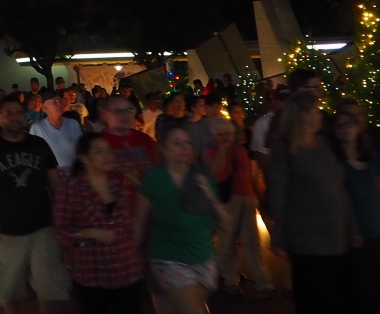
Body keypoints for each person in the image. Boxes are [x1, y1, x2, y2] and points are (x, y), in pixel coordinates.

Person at [0, 97, 71, 313]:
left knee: (51, 287)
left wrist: (62, 217)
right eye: (8, 113)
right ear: (0, 116)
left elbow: (54, 181)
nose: (14, 117)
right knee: (10, 290)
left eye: (18, 112)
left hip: (42, 226)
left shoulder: (38, 144)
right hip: (5, 228)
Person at [266, 91, 356, 313]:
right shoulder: (286, 149)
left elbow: (339, 188)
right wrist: (279, 235)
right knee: (313, 296)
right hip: (307, 240)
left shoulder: (322, 144)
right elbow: (278, 194)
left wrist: (352, 227)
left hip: (335, 235)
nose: (320, 115)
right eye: (315, 110)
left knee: (336, 295)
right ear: (303, 115)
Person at [136, 121, 225, 313]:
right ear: (164, 148)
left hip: (203, 255)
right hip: (170, 256)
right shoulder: (155, 179)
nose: (184, 148)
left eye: (187, 143)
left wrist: (210, 196)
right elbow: (139, 221)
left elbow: (222, 219)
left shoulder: (201, 176)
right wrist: (133, 254)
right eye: (177, 143)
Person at [54, 133, 143, 314]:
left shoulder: (120, 184)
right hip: (93, 272)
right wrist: (90, 233)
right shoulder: (71, 189)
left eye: (109, 151)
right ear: (84, 158)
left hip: (126, 270)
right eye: (99, 152)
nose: (107, 156)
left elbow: (130, 222)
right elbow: (60, 231)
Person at [206, 117, 273, 297]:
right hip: (229, 199)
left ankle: (263, 282)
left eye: (227, 134)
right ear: (214, 136)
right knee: (227, 242)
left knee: (252, 242)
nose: (225, 138)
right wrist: (222, 150)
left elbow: (250, 174)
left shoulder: (241, 150)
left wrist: (256, 196)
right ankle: (231, 280)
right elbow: (217, 170)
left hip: (247, 197)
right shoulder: (213, 151)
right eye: (220, 135)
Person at [332, 106, 380, 309]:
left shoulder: (370, 159)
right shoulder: (335, 163)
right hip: (351, 233)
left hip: (374, 228)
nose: (344, 129)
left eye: (348, 124)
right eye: (339, 125)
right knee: (361, 288)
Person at [99, 95, 157, 183]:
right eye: (118, 111)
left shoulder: (145, 139)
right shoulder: (99, 142)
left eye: (129, 110)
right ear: (105, 115)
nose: (125, 115)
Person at [31, 90, 84, 175]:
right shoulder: (37, 128)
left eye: (60, 101)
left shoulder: (73, 124)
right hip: (52, 176)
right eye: (54, 103)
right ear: (45, 108)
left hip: (75, 174)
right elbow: (34, 157)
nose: (59, 104)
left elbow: (82, 149)